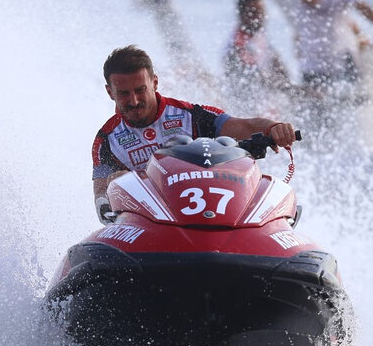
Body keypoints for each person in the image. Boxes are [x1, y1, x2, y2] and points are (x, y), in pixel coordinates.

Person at [92, 45, 298, 217]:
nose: (134, 101)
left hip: (211, 213)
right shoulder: (107, 140)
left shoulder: (191, 115)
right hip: (151, 226)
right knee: (115, 180)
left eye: (140, 90)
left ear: (154, 83)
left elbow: (245, 126)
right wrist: (114, 190)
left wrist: (273, 127)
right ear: (110, 92)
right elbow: (101, 200)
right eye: (124, 94)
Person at [223, 0, 297, 112]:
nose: (259, 16)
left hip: (268, 109)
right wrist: (295, 91)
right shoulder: (236, 45)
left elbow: (279, 68)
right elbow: (255, 78)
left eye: (261, 11)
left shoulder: (259, 37)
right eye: (253, 12)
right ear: (241, 15)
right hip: (248, 115)